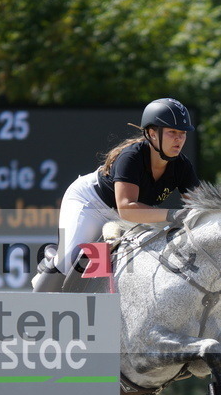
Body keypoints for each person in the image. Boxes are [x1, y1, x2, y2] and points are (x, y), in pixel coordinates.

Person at [31, 98, 200, 292]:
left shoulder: (182, 166)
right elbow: (127, 208)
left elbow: (198, 206)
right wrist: (173, 216)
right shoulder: (132, 157)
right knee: (69, 259)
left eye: (183, 133)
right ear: (153, 133)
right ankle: (39, 303)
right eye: (172, 132)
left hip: (128, 216)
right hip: (91, 203)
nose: (179, 139)